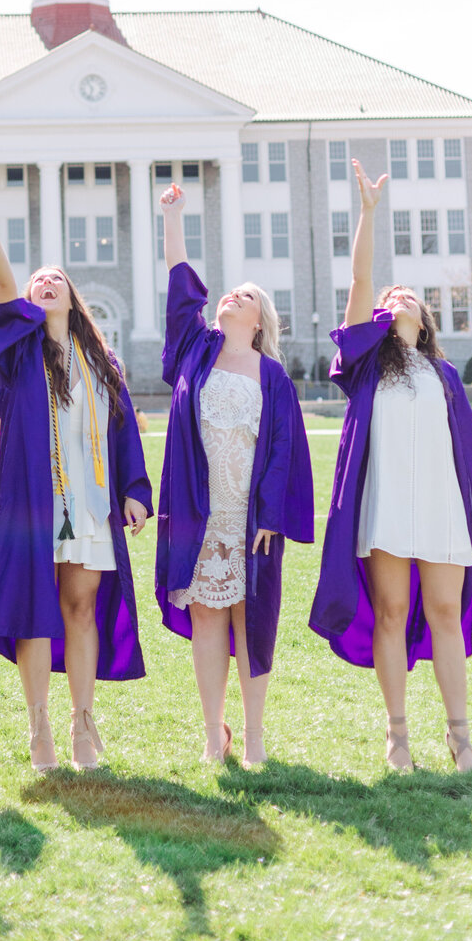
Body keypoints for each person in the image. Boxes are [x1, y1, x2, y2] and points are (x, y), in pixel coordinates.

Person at [309, 161, 472, 772]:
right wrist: (369, 215)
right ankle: (398, 737)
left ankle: (460, 736)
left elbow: (469, 447)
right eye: (387, 300)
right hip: (387, 504)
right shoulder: (366, 366)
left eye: (408, 300)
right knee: (392, 614)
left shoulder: (444, 375)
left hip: (444, 507)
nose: (395, 301)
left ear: (423, 319)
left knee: (447, 613)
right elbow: (362, 277)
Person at [0, 173, 153, 771]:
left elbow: (121, 432)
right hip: (35, 504)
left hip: (90, 503)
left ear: (72, 297)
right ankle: (39, 723)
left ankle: (82, 719)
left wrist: (135, 491)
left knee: (82, 607)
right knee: (37, 608)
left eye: (55, 280)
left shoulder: (101, 361)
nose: (45, 284)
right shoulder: (18, 354)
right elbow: (3, 283)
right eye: (38, 282)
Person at [155, 185, 314, 763]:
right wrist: (173, 217)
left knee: (252, 619)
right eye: (228, 292)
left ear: (259, 316)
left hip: (249, 514)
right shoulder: (195, 352)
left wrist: (271, 516)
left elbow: (283, 450)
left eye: (243, 294)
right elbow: (179, 292)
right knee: (206, 616)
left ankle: (254, 736)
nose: (230, 295)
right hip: (199, 509)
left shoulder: (273, 376)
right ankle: (212, 733)